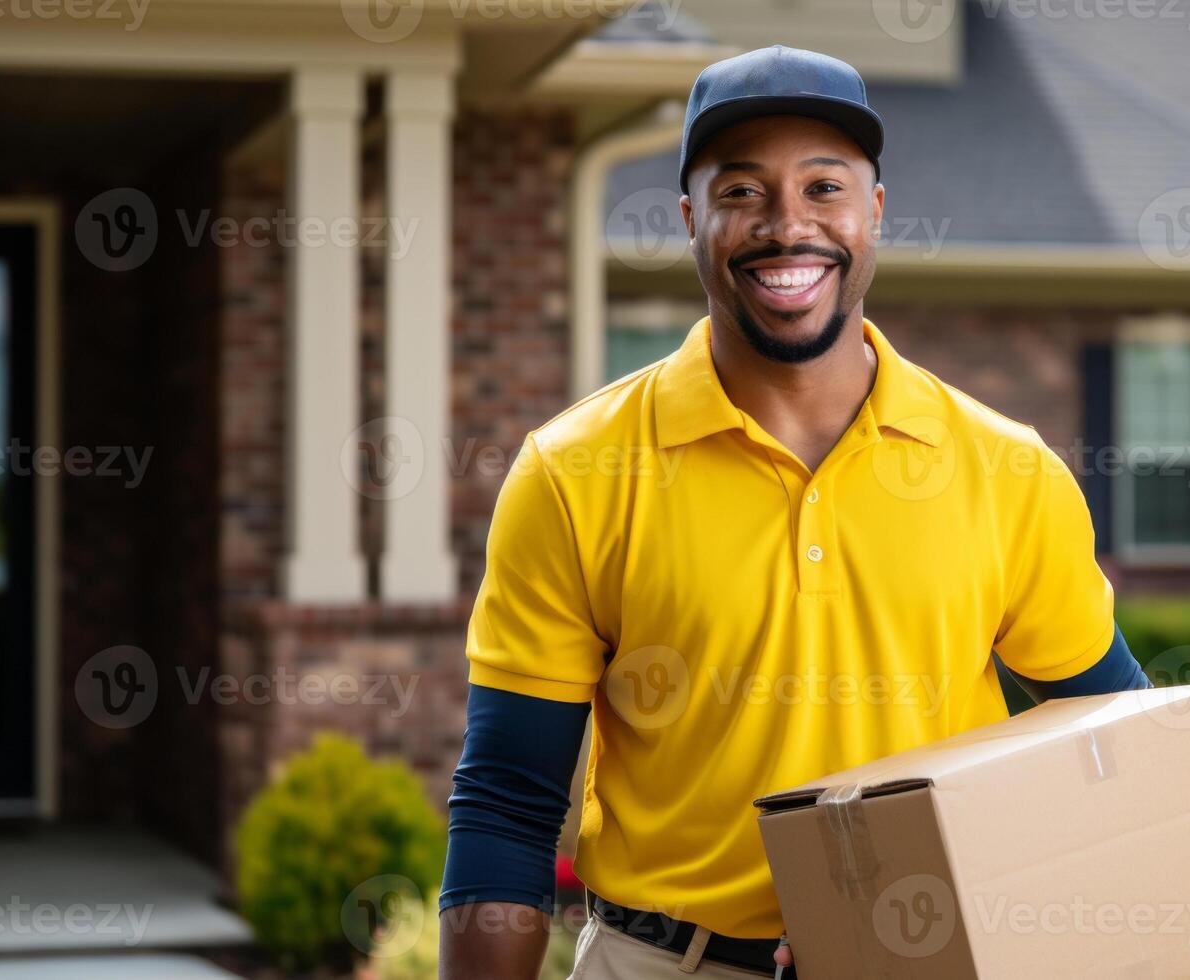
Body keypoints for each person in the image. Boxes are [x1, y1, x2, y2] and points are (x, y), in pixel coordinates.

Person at [437, 45, 1150, 980]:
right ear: (691, 219)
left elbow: (1117, 745)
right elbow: (508, 801)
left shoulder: (1005, 471)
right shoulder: (575, 473)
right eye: (741, 191)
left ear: (876, 212)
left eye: (824, 187)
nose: (787, 224)